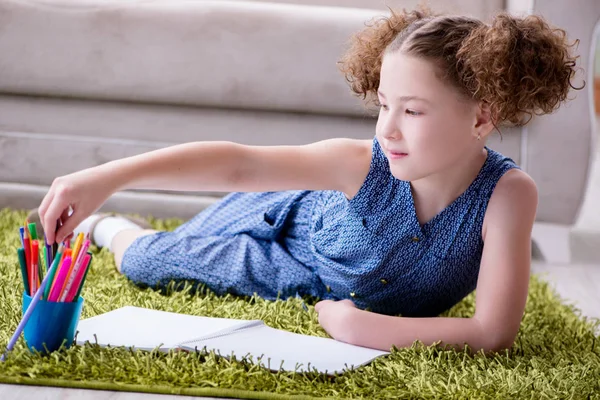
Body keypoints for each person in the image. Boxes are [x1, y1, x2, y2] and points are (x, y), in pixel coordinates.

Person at [33, 7, 583, 354]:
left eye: (412, 111)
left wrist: (359, 327)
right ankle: (111, 224)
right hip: (280, 218)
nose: (386, 128)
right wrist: (105, 179)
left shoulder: (509, 196)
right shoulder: (359, 163)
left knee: (161, 260)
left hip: (294, 279)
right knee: (143, 260)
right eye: (384, 104)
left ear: (482, 118)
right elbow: (240, 166)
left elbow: (492, 334)